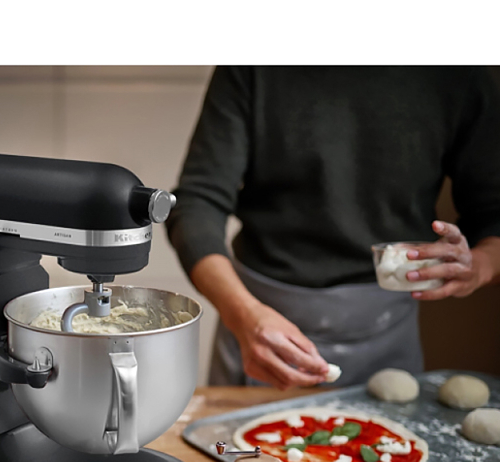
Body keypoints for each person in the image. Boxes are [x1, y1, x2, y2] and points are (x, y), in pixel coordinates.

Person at [166, 66, 500, 389]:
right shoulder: (253, 65)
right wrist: (243, 314)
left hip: (389, 333)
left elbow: (493, 215)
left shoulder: (458, 71)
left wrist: (480, 265)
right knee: (240, 433)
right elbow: (196, 203)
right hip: (257, 323)